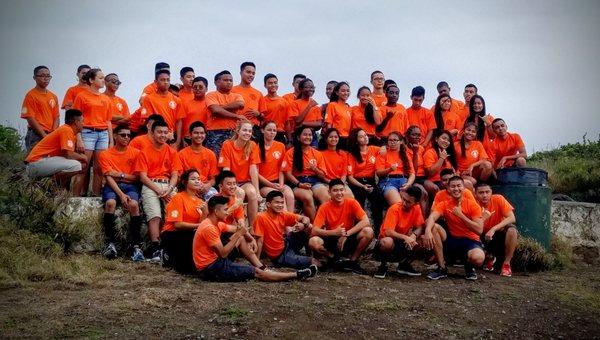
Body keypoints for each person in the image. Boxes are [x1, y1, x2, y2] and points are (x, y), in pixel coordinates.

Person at [193, 195, 317, 282]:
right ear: (215, 211)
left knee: (241, 239)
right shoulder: (209, 227)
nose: (227, 212)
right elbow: (223, 253)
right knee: (256, 273)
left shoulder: (217, 223)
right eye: (225, 210)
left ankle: (262, 266)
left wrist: (249, 238)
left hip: (217, 261)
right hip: (210, 268)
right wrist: (238, 234)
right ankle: (296, 275)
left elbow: (237, 230)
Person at [134, 120, 182, 261]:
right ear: (152, 133)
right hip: (151, 185)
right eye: (159, 132)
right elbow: (142, 176)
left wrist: (170, 188)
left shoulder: (172, 152)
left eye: (165, 132)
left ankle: (171, 246)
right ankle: (156, 247)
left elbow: (175, 174)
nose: (162, 135)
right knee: (154, 216)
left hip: (168, 185)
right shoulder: (144, 152)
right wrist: (158, 191)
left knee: (174, 215)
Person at [423, 176, 484, 280]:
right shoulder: (444, 204)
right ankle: (442, 268)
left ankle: (469, 267)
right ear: (448, 189)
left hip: (470, 240)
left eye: (459, 186)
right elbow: (432, 216)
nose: (456, 189)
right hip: (452, 239)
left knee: (478, 258)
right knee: (433, 227)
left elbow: (479, 230)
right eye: (453, 186)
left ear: (464, 188)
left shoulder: (472, 205)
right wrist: (427, 231)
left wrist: (461, 215)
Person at [97, 124, 144, 261]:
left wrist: (120, 175)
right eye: (123, 135)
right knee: (110, 203)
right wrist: (121, 195)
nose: (126, 138)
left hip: (130, 186)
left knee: (134, 205)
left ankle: (136, 245)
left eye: (129, 135)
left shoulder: (136, 153)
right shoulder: (105, 154)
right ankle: (110, 243)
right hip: (113, 186)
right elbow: (108, 177)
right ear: (115, 136)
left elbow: (136, 177)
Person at [309, 179, 373, 273]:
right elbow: (314, 230)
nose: (339, 193)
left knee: (368, 231)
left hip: (348, 238)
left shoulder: (352, 203)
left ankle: (352, 261)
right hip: (331, 239)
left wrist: (346, 234)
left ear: (345, 190)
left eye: (341, 190)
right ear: (329, 192)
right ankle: (332, 258)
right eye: (335, 190)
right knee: (313, 241)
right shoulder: (324, 207)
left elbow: (366, 221)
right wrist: (334, 232)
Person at [71, 68, 114, 196]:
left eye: (103, 78)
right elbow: (75, 120)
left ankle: (96, 196)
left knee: (99, 168)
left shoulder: (106, 99)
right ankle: (75, 198)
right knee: (83, 166)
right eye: (100, 78)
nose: (103, 80)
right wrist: (78, 137)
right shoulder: (81, 96)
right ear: (91, 80)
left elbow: (108, 121)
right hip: (87, 132)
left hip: (103, 134)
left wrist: (111, 141)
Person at [253, 190, 320, 269]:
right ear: (268, 204)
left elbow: (305, 218)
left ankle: (310, 253)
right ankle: (314, 259)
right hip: (279, 255)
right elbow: (260, 241)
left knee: (308, 227)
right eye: (277, 202)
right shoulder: (261, 217)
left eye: (282, 203)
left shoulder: (282, 214)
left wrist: (303, 224)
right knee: (315, 263)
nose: (280, 205)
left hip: (286, 243)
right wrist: (256, 263)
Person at [161, 168, 208, 273]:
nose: (197, 181)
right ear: (185, 182)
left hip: (190, 232)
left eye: (199, 179)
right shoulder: (178, 197)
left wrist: (204, 213)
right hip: (173, 233)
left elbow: (202, 223)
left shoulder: (200, 201)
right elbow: (177, 224)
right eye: (193, 179)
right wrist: (198, 226)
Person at [25, 109, 87, 187]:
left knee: (78, 164)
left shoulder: (68, 131)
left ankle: (56, 190)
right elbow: (68, 154)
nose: (83, 124)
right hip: (35, 164)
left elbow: (66, 155)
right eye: (82, 121)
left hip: (39, 164)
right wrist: (83, 158)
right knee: (76, 165)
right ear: (76, 122)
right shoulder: (66, 130)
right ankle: (47, 186)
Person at [373, 186, 425, 279]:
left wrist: (414, 235)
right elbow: (388, 232)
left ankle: (404, 265)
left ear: (416, 203)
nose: (404, 203)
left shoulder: (417, 208)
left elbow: (420, 226)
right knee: (387, 242)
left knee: (423, 240)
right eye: (403, 199)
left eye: (408, 202)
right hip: (389, 240)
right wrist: (406, 237)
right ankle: (383, 265)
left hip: (402, 240)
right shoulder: (395, 208)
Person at [218, 119, 261, 226]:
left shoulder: (252, 145)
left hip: (245, 181)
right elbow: (226, 170)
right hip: (231, 182)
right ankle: (234, 226)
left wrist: (257, 191)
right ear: (238, 131)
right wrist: (229, 185)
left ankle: (253, 227)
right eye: (244, 130)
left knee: (252, 193)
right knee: (240, 193)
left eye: (250, 131)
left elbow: (253, 170)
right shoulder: (227, 145)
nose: (247, 133)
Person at [282, 126, 330, 221]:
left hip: (314, 181)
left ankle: (327, 224)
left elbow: (322, 175)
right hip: (297, 182)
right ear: (299, 137)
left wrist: (315, 169)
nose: (308, 137)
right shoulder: (291, 152)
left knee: (326, 197)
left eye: (310, 135)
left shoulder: (317, 153)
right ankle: (315, 225)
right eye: (305, 134)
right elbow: (288, 174)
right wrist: (299, 184)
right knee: (307, 197)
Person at [474, 182, 518, 277]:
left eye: (487, 192)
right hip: (480, 235)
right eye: (481, 193)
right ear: (475, 194)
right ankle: (488, 257)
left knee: (512, 230)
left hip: (497, 234)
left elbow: (512, 218)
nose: (484, 195)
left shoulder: (498, 199)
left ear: (491, 192)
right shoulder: (472, 203)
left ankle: (506, 264)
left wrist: (493, 228)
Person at [347, 128, 384, 235]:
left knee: (378, 198)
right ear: (356, 140)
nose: (365, 137)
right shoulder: (352, 154)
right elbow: (350, 177)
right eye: (361, 136)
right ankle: (358, 230)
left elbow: (384, 149)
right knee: (359, 198)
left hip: (370, 180)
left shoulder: (373, 149)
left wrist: (383, 148)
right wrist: (362, 186)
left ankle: (378, 230)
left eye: (366, 135)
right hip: (357, 182)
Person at [140, 69, 185, 149]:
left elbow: (179, 121)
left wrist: (177, 141)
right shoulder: (149, 99)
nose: (166, 82)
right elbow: (148, 121)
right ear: (156, 82)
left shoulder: (176, 100)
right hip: (155, 137)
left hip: (171, 137)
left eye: (168, 80)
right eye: (162, 80)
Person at [205, 70, 245, 156]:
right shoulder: (211, 95)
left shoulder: (236, 96)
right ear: (217, 82)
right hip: (215, 132)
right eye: (226, 80)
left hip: (232, 132)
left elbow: (240, 104)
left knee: (232, 158)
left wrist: (220, 108)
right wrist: (236, 116)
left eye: (231, 80)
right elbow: (215, 110)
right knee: (215, 157)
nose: (229, 82)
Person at [257, 121, 295, 212]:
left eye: (274, 130)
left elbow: (282, 169)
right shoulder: (256, 147)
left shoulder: (280, 145)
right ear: (262, 130)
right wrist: (272, 185)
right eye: (269, 130)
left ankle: (291, 222)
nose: (272, 132)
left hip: (278, 182)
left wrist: (281, 185)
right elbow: (256, 173)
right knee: (278, 195)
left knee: (289, 195)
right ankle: (285, 224)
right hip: (264, 184)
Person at [21, 66, 60, 152]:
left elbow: (56, 116)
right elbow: (30, 118)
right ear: (34, 77)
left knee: (51, 162)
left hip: (51, 134)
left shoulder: (53, 96)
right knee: (36, 162)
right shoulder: (30, 95)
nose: (46, 79)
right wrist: (44, 135)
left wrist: (54, 132)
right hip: (36, 134)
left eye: (48, 76)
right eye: (42, 76)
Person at [177, 121, 219, 200]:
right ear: (190, 135)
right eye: (196, 133)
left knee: (218, 201)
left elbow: (213, 178)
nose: (199, 135)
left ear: (205, 135)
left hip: (205, 188)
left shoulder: (210, 154)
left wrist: (208, 185)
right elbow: (180, 178)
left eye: (202, 133)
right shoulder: (181, 154)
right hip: (188, 189)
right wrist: (193, 186)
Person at [375, 132, 415, 205]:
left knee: (412, 202)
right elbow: (378, 173)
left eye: (395, 140)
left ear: (400, 142)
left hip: (404, 181)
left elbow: (412, 173)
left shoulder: (405, 155)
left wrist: (408, 184)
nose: (392, 142)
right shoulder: (383, 153)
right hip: (389, 181)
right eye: (390, 140)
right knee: (399, 204)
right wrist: (389, 169)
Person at [454, 122, 493, 188]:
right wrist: (457, 173)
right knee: (473, 181)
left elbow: (484, 159)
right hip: (462, 173)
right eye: (468, 130)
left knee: (488, 165)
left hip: (474, 171)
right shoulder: (455, 145)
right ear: (463, 131)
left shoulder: (478, 144)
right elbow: (451, 161)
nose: (470, 133)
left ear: (475, 134)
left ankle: (481, 186)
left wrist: (472, 166)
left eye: (473, 131)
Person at [232, 62, 264, 139]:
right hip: (235, 128)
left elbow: (263, 116)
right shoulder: (232, 90)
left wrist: (258, 114)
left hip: (253, 129)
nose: (251, 75)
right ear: (241, 73)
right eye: (248, 72)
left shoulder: (258, 93)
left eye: (253, 73)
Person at [318, 128, 353, 196]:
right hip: (326, 183)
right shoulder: (320, 154)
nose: (333, 139)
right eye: (331, 137)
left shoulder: (343, 154)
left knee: (350, 197)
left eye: (336, 137)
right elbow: (322, 175)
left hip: (341, 183)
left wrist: (340, 184)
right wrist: (332, 183)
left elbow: (344, 173)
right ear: (326, 139)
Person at [423, 130, 458, 196]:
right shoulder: (430, 152)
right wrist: (441, 158)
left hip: (451, 181)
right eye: (444, 138)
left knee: (466, 184)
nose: (446, 141)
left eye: (448, 140)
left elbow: (456, 171)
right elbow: (430, 173)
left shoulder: (450, 153)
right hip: (436, 181)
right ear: (436, 139)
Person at [405, 126, 430, 215]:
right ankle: (424, 221)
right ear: (407, 136)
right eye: (414, 135)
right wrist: (415, 152)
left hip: (422, 177)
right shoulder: (404, 150)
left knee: (434, 188)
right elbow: (413, 170)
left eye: (419, 135)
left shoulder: (422, 148)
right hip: (412, 178)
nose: (417, 137)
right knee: (423, 192)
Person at [290, 78, 323, 147]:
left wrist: (304, 124)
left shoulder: (315, 105)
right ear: (301, 89)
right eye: (307, 87)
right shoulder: (295, 103)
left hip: (312, 135)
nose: (310, 89)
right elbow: (297, 120)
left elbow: (319, 124)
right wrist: (309, 106)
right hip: (299, 134)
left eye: (312, 87)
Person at [259, 73, 291, 144]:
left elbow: (287, 123)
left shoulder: (284, 102)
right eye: (270, 83)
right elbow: (261, 120)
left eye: (275, 83)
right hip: (266, 134)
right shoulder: (262, 100)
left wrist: (289, 140)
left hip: (280, 134)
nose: (273, 85)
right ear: (265, 85)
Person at [182, 76, 209, 145]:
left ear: (206, 89)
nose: (197, 89)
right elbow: (180, 123)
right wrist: (182, 139)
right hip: (188, 139)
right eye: (195, 87)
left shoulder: (211, 104)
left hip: (206, 139)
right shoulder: (185, 104)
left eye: (200, 87)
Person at [325, 82, 352, 149]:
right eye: (343, 91)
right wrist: (332, 139)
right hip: (337, 139)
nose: (346, 93)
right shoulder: (332, 105)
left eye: (348, 91)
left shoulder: (349, 108)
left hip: (347, 139)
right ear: (337, 93)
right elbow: (329, 124)